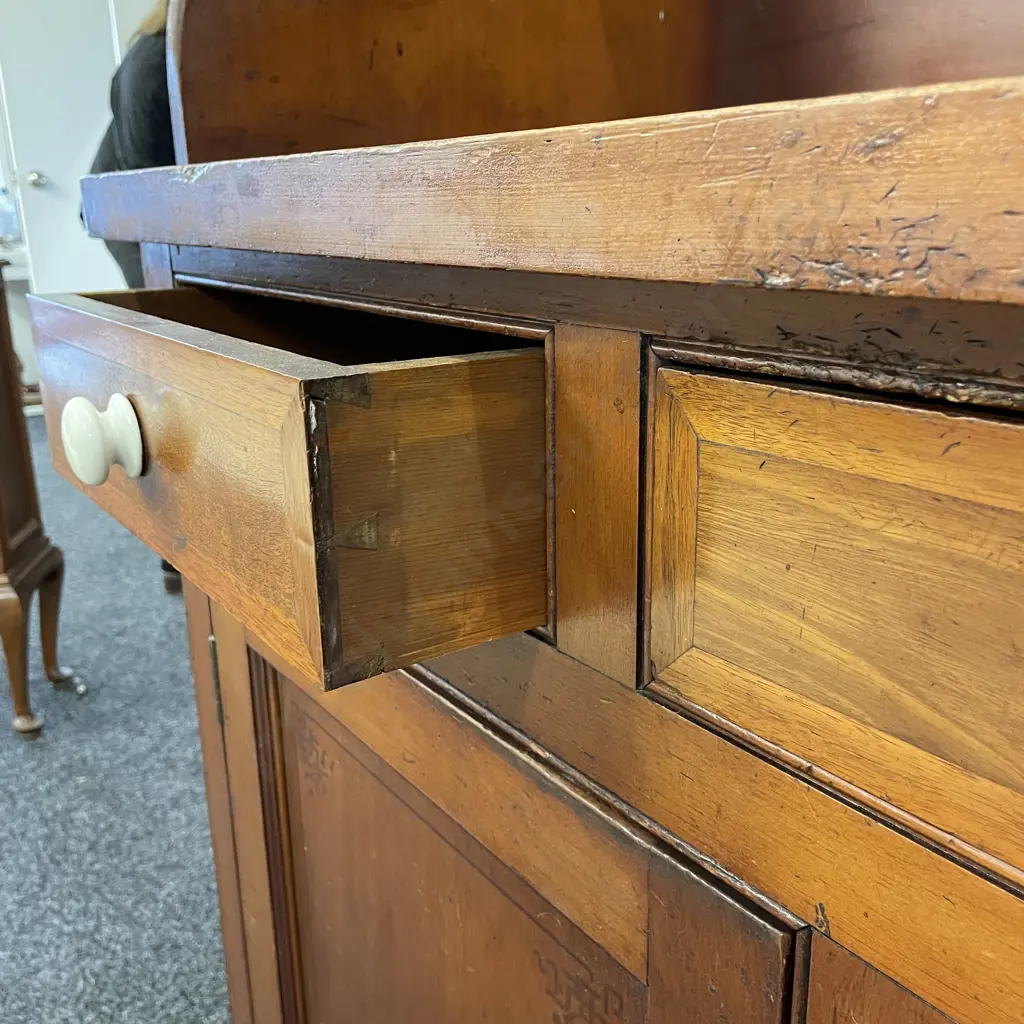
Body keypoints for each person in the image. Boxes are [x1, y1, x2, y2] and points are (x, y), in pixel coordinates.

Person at [90, 2, 179, 592]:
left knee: (173, 359)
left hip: (138, 210)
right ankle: (178, 542)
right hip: (134, 221)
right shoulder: (158, 58)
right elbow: (155, 197)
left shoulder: (163, 41)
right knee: (169, 363)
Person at [89, 1, 174, 288]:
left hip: (137, 199)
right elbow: (142, 176)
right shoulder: (155, 59)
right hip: (125, 209)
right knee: (168, 312)